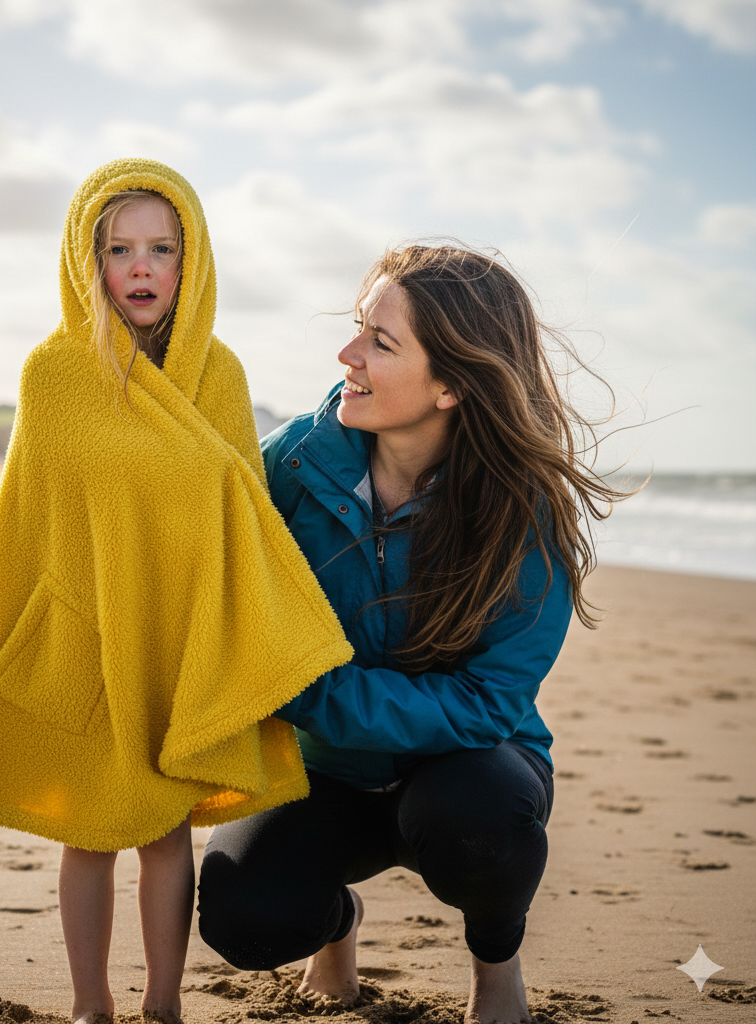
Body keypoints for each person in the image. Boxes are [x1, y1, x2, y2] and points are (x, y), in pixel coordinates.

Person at [0, 160, 351, 1024]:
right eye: (119, 248)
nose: (140, 266)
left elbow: (244, 520)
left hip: (177, 636)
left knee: (167, 830)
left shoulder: (220, 377)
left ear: (189, 260)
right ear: (85, 261)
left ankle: (162, 1004)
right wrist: (51, 625)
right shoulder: (54, 374)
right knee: (87, 833)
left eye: (161, 248)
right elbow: (30, 526)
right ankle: (92, 1006)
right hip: (88, 632)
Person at [197, 244, 626, 1024]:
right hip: (323, 775)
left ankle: (496, 962)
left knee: (479, 824)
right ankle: (339, 926)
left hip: (466, 774)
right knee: (243, 919)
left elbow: (487, 702)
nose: (346, 355)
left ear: (453, 384)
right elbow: (203, 546)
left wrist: (306, 692)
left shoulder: (521, 512)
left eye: (380, 343)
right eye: (359, 329)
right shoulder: (296, 461)